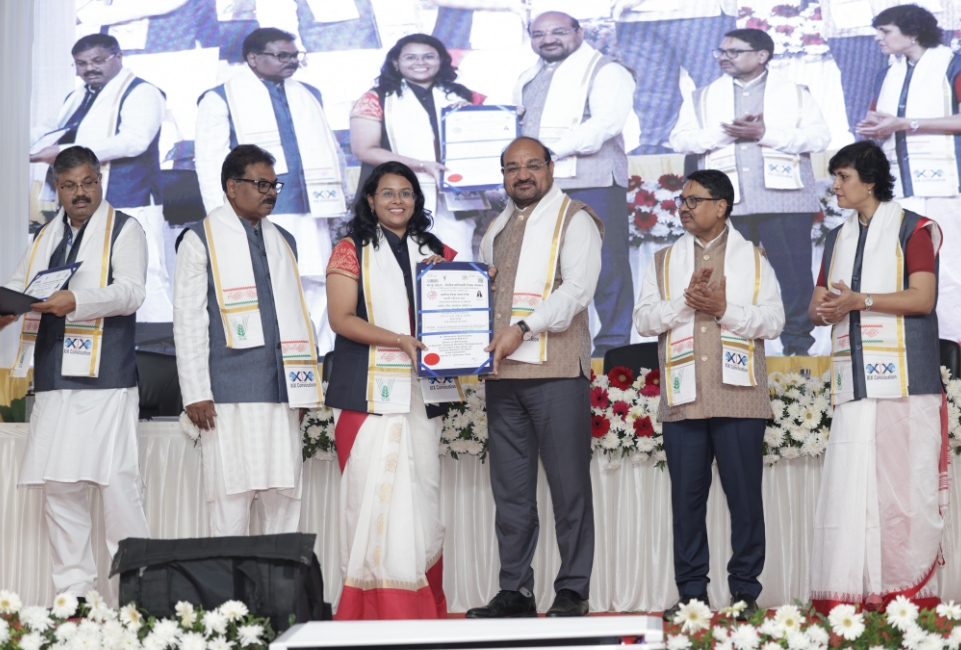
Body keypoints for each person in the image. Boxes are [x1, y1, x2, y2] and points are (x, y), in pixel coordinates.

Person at [633, 169, 785, 621]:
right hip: (684, 398)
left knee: (745, 501)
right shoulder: (663, 261)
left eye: (694, 200)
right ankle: (691, 594)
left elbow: (774, 321)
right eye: (682, 200)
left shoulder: (753, 258)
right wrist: (685, 302)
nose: (684, 207)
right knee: (686, 503)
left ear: (721, 206)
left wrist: (723, 310)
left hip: (739, 397)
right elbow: (644, 320)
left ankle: (745, 592)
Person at [0, 146, 150, 596]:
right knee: (59, 488)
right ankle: (75, 599)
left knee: (117, 487)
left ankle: (136, 598)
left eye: (87, 183)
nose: (80, 193)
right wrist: (8, 308)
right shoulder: (46, 234)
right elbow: (22, 286)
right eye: (69, 186)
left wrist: (77, 301)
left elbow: (132, 291)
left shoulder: (125, 228)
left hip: (106, 379)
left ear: (100, 181)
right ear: (58, 189)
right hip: (53, 379)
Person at [465, 136, 602, 619]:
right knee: (512, 492)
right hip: (503, 376)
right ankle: (516, 591)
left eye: (532, 165)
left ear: (550, 168)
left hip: (556, 371)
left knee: (569, 488)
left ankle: (573, 590)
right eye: (511, 167)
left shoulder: (576, 219)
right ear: (503, 175)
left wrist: (522, 329)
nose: (522, 174)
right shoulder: (495, 227)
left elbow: (578, 291)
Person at [809, 141, 945, 613]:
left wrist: (860, 301)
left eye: (843, 177)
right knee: (852, 493)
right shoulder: (836, 238)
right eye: (835, 177)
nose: (835, 186)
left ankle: (906, 597)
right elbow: (815, 307)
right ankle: (855, 595)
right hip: (855, 383)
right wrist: (830, 308)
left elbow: (922, 298)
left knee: (904, 494)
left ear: (869, 182)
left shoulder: (914, 228)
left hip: (907, 382)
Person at [324, 161, 457, 619]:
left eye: (406, 192)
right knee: (371, 498)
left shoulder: (434, 250)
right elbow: (341, 319)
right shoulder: (349, 250)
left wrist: (472, 279)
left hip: (422, 393)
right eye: (387, 193)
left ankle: (420, 606)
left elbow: (462, 305)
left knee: (422, 497)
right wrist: (399, 339)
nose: (397, 201)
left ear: (416, 200)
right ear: (370, 199)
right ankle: (373, 609)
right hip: (366, 394)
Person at [173, 144, 322, 537]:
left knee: (284, 500)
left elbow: (299, 316)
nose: (270, 192)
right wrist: (196, 393)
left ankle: (280, 578)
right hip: (226, 397)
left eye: (274, 185)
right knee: (230, 503)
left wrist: (303, 386)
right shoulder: (199, 239)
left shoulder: (284, 239)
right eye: (261, 184)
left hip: (282, 393)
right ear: (231, 186)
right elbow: (188, 321)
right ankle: (230, 582)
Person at [670, 28, 830, 356]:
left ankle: (797, 346)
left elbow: (819, 138)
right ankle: (732, 349)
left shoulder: (795, 92)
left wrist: (765, 133)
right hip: (725, 204)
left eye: (734, 52)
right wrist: (724, 133)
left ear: (762, 55)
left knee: (793, 277)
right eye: (721, 52)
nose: (724, 57)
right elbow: (680, 140)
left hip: (784, 201)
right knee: (727, 278)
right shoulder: (703, 96)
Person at [195, 27, 347, 353]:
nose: (291, 61)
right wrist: (221, 215)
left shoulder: (308, 93)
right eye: (282, 55)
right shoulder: (220, 97)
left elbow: (332, 150)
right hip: (261, 210)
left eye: (294, 55)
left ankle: (321, 356)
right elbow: (209, 163)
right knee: (270, 282)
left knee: (316, 279)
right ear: (253, 58)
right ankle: (277, 358)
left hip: (312, 205)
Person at [515, 11, 635, 357]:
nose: (548, 39)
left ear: (580, 32)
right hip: (541, 185)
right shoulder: (528, 76)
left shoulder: (607, 70)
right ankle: (560, 346)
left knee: (605, 263)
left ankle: (612, 345)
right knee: (547, 266)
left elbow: (606, 123)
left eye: (558, 31)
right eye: (538, 34)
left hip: (593, 180)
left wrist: (547, 152)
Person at [30, 33, 173, 322]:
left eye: (97, 60)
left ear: (118, 57)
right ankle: (113, 343)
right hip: (87, 200)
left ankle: (159, 339)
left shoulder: (142, 92)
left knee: (145, 272)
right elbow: (49, 129)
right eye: (81, 63)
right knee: (94, 274)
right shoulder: (78, 96)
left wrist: (63, 151)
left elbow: (134, 141)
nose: (89, 69)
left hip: (131, 195)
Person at [855, 4, 961, 343]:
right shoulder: (886, 73)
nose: (879, 38)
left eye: (886, 31)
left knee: (951, 269)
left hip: (947, 185)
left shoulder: (953, 64)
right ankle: (916, 350)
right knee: (906, 270)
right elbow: (882, 120)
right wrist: (875, 129)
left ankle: (954, 349)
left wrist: (906, 123)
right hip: (900, 186)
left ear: (913, 33)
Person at [350, 33, 485, 261]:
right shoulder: (376, 98)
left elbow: (483, 143)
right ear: (396, 62)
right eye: (410, 57)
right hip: (396, 195)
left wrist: (477, 117)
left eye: (428, 56)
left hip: (452, 198)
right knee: (400, 267)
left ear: (441, 60)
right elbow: (364, 150)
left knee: (455, 265)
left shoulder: (464, 96)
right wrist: (421, 165)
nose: (420, 62)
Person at [612, 0, 736, 155]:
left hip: (698, 11)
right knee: (647, 90)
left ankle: (729, 148)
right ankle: (659, 150)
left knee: (715, 87)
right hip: (631, 17)